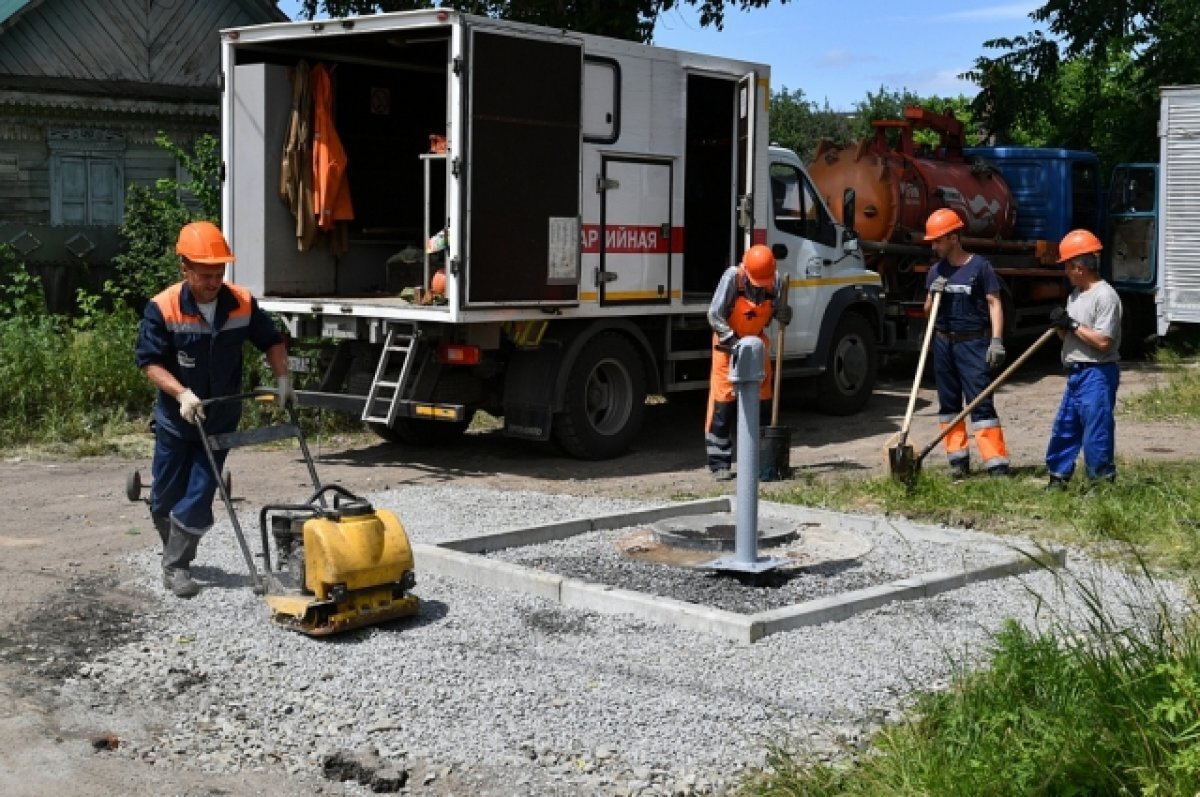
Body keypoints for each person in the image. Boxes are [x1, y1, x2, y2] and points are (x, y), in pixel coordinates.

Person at [135, 221, 296, 598]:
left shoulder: (240, 302)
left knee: (201, 492)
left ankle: (176, 567)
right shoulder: (163, 307)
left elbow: (271, 340)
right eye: (205, 274)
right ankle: (173, 546)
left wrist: (283, 379)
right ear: (184, 268)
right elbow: (150, 363)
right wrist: (181, 394)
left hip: (219, 418)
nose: (213, 281)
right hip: (178, 419)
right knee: (165, 496)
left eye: (219, 272)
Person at [922, 208, 1011, 479]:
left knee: (981, 403)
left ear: (953, 238)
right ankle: (958, 463)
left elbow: (995, 303)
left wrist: (996, 341)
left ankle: (996, 465)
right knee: (949, 405)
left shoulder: (979, 267)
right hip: (943, 343)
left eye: (937, 240)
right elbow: (928, 311)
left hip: (973, 343)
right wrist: (932, 294)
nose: (934, 246)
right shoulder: (936, 271)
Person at [704, 244, 792, 480]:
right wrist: (733, 342)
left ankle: (760, 459)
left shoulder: (777, 282)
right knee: (724, 405)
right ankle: (719, 463)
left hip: (757, 348)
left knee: (763, 404)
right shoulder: (734, 278)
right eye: (757, 283)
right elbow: (714, 314)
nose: (760, 287)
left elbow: (776, 311)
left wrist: (785, 314)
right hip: (727, 347)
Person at [1045, 229, 1122, 489]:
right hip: (1076, 371)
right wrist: (1060, 325)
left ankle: (1100, 483)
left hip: (1098, 373)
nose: (1065, 271)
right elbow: (1069, 338)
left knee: (1096, 430)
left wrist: (1073, 324)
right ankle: (1058, 477)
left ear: (1079, 266)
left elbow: (1103, 342)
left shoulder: (1106, 296)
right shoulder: (1075, 296)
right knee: (1066, 426)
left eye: (1067, 265)